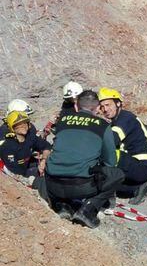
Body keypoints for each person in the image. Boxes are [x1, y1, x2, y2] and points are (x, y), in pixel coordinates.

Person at [45, 90, 124, 228]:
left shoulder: (62, 121)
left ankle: (63, 205)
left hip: (52, 184)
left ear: (76, 106)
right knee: (117, 174)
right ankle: (88, 210)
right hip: (81, 186)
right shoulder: (103, 126)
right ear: (98, 108)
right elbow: (110, 162)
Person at [98, 87, 147, 204]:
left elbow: (111, 141)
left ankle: (110, 195)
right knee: (103, 181)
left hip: (142, 165)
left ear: (118, 103)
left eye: (108, 105)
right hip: (133, 163)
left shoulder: (125, 118)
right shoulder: (117, 120)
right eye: (102, 107)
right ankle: (137, 187)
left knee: (107, 157)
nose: (105, 109)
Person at [0, 111, 51, 180]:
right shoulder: (8, 146)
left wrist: (44, 160)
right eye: (18, 124)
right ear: (12, 128)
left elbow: (46, 146)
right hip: (18, 175)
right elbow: (15, 171)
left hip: (27, 165)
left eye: (24, 122)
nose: (23, 126)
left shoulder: (30, 137)